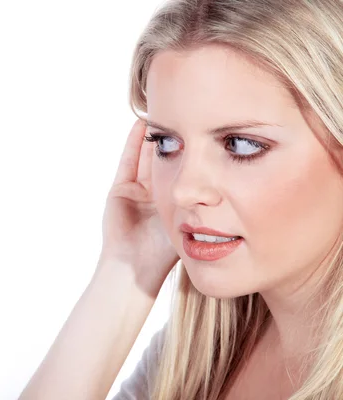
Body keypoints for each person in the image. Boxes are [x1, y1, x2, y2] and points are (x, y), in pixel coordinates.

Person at [18, 0, 343, 398]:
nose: (183, 190)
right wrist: (127, 266)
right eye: (167, 142)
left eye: (240, 144)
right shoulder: (196, 355)